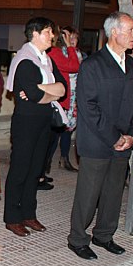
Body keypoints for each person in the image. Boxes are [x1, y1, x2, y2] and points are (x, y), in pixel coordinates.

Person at [67, 11, 133, 260]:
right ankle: (78, 238)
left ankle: (104, 235)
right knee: (88, 195)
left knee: (113, 193)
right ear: (114, 33)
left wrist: (131, 134)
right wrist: (114, 137)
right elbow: (88, 107)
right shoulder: (92, 65)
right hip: (98, 142)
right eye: (130, 30)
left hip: (123, 143)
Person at [3, 17, 66, 238]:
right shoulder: (24, 60)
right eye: (48, 32)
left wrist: (40, 89)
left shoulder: (47, 60)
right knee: (20, 169)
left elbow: (63, 88)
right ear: (36, 34)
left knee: (36, 169)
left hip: (44, 121)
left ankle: (28, 214)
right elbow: (33, 94)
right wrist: (45, 91)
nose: (52, 36)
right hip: (26, 121)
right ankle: (12, 217)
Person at [47, 26, 82, 172]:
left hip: (73, 98)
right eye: (69, 37)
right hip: (62, 97)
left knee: (67, 130)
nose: (72, 41)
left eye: (74, 37)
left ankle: (64, 159)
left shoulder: (80, 54)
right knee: (55, 132)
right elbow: (74, 67)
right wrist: (69, 47)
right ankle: (46, 164)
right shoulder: (58, 53)